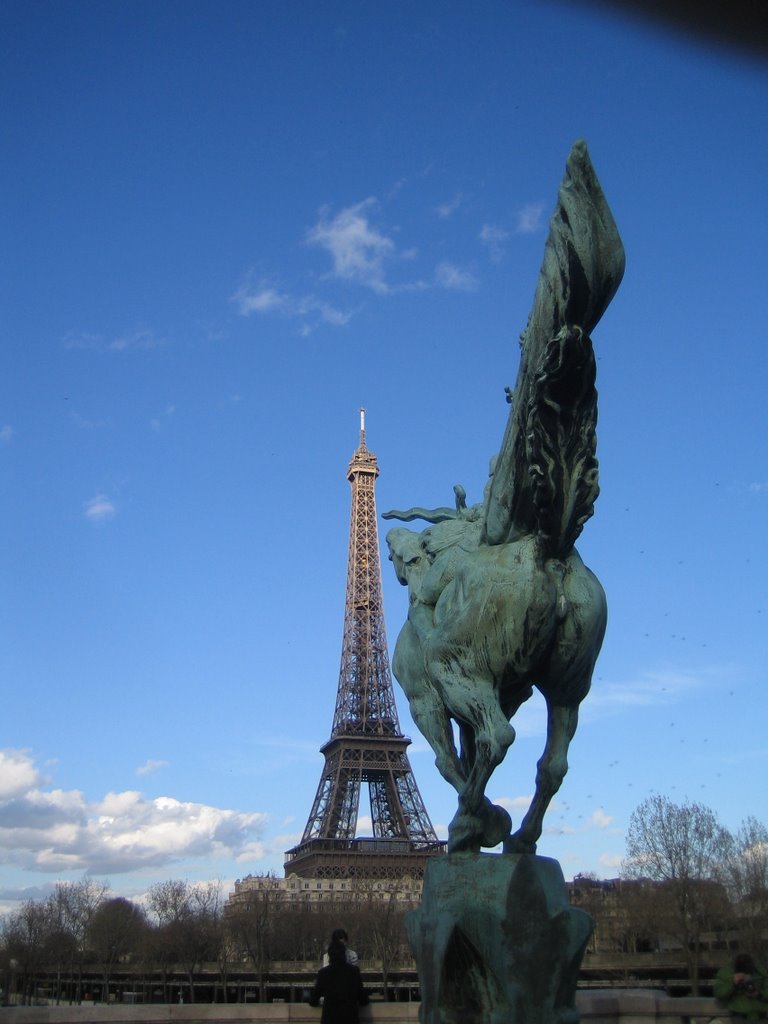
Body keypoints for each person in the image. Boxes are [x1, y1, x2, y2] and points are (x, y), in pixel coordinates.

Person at [309, 938, 368, 1024]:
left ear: (329, 955)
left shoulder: (323, 973)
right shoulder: (354, 971)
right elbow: (363, 1000)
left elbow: (313, 1001)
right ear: (344, 954)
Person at [713, 953, 768, 1021]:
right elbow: (719, 993)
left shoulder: (761, 972)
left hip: (760, 1016)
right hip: (739, 1016)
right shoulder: (726, 973)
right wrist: (733, 984)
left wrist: (758, 994)